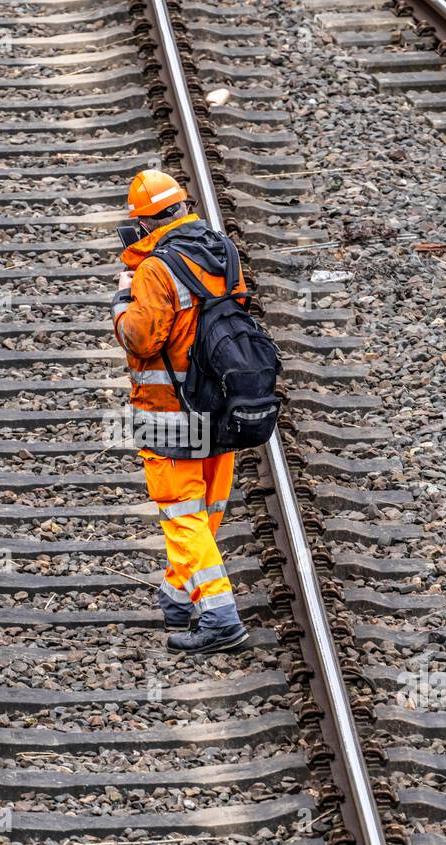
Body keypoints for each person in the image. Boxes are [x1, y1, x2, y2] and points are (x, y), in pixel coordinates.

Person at [111, 169, 249, 655]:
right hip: (223, 403)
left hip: (171, 411)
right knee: (205, 510)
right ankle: (177, 594)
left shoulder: (154, 269)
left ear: (145, 224)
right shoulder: (223, 250)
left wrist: (121, 299)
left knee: (182, 516)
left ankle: (219, 615)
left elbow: (141, 339)